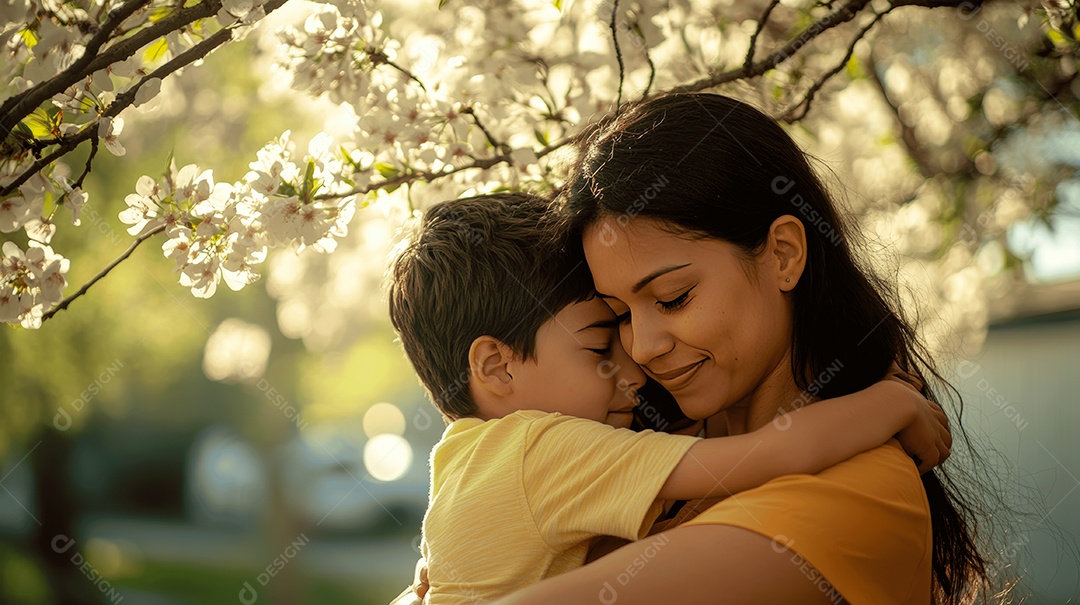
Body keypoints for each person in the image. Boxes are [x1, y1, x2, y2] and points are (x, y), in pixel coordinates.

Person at [483, 93, 991, 605]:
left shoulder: (861, 490)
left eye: (673, 298)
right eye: (619, 315)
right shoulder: (638, 462)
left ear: (783, 254)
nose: (642, 347)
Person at [385, 192, 951, 605]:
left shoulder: (460, 458)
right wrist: (891, 403)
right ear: (495, 366)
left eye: (672, 298)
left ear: (784, 254)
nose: (636, 364)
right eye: (601, 344)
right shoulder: (547, 446)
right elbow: (769, 455)